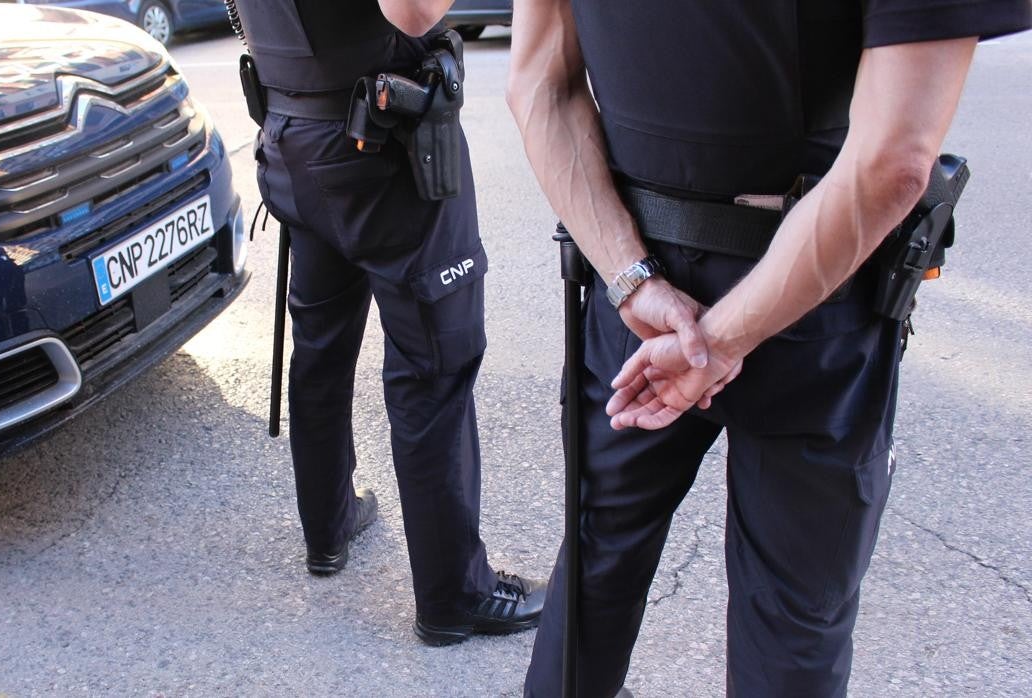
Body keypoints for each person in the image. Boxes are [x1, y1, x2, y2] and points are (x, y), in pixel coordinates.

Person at [506, 0, 1030, 695]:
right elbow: (895, 162)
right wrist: (717, 342)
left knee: (595, 564)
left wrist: (634, 282)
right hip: (814, 304)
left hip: (639, 300)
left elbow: (539, 83)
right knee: (793, 620)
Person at [232, 0, 544, 645]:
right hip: (383, 157)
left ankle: (329, 527)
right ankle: (454, 596)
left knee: (318, 344)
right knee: (435, 369)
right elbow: (412, 11)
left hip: (293, 140)